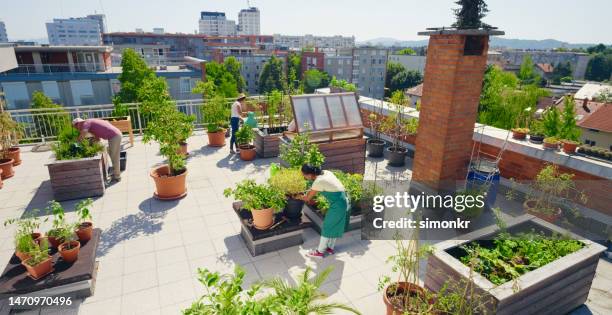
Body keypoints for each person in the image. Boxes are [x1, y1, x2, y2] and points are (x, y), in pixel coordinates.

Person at [299, 164, 350, 258]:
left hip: (338, 205)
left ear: (310, 175)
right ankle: (330, 248)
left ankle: (320, 252)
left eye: (304, 175)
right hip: (344, 201)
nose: (304, 177)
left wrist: (296, 196)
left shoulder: (318, 181)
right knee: (334, 226)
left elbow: (307, 198)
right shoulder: (326, 172)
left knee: (327, 226)